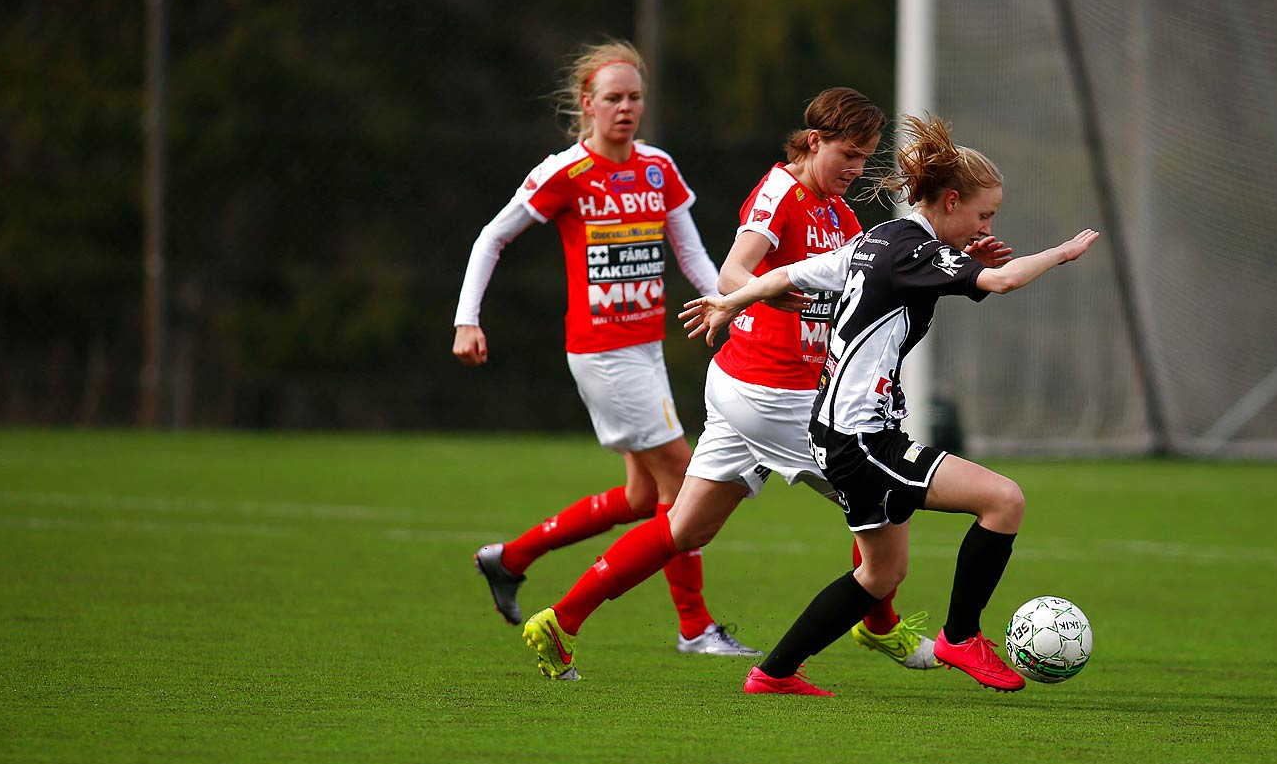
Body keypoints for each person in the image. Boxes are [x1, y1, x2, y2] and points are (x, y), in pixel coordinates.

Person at [520, 88, 1011, 681]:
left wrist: (959, 254)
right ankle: (876, 626)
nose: (855, 170)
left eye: (865, 158)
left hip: (751, 386)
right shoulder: (781, 190)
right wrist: (771, 290)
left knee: (687, 525)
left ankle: (560, 619)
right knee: (879, 486)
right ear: (813, 141)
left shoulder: (840, 212)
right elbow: (733, 271)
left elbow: (881, 277)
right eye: (847, 154)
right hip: (772, 390)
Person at [679, 114, 1099, 695]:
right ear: (950, 200)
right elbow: (1000, 284)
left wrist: (731, 301)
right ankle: (960, 636)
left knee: (881, 574)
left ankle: (772, 674)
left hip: (840, 430)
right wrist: (1063, 252)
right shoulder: (909, 251)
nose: (987, 225)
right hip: (861, 436)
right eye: (983, 214)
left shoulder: (882, 241)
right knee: (1003, 501)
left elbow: (792, 275)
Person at [453, 39, 759, 665]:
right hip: (602, 351)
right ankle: (695, 627)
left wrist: (734, 303)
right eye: (612, 98)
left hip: (644, 347)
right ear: (586, 105)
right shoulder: (564, 173)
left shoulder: (657, 168)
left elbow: (693, 255)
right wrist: (466, 321)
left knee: (646, 500)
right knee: (684, 479)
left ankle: (510, 559)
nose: (626, 108)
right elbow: (492, 237)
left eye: (635, 96)